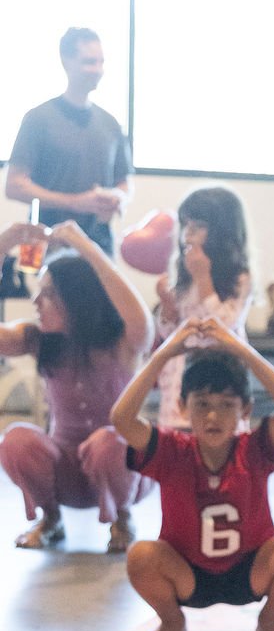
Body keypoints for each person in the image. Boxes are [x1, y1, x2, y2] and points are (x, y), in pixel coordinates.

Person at [110, 319, 274, 631]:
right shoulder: (171, 452)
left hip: (250, 571)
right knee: (141, 556)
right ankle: (172, 623)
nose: (213, 417)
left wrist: (242, 350)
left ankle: (270, 622)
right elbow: (121, 418)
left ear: (245, 410)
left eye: (226, 405)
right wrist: (164, 354)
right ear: (182, 406)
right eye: (202, 404)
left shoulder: (255, 450)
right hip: (187, 575)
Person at [0, 220, 154, 551]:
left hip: (125, 469)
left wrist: (85, 246)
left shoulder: (123, 342)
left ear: (78, 298)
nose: (36, 301)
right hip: (66, 476)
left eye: (48, 293)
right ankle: (50, 519)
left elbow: (141, 318)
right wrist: (3, 244)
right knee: (15, 439)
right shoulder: (38, 340)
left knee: (109, 442)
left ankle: (122, 519)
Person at [5, 28, 131, 256]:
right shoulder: (38, 119)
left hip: (99, 245)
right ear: (66, 61)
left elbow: (124, 183)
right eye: (89, 62)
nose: (98, 70)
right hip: (46, 241)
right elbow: (14, 186)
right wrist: (75, 202)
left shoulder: (111, 124)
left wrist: (117, 198)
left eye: (101, 62)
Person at [153, 187, 253, 430]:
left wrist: (203, 278)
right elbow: (170, 333)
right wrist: (166, 306)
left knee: (218, 435)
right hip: (181, 372)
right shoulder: (183, 277)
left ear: (222, 232)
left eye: (198, 226)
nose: (187, 234)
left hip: (219, 372)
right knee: (179, 437)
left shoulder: (239, 278)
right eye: (185, 225)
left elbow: (224, 324)